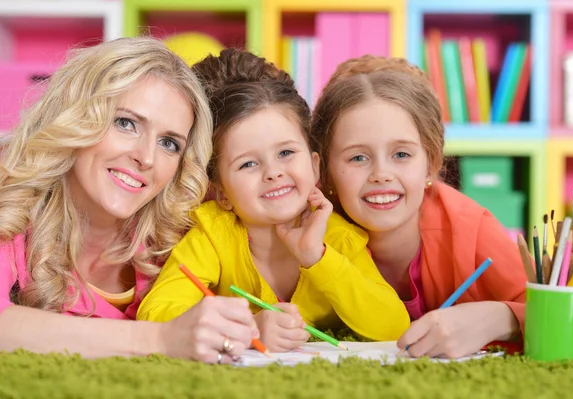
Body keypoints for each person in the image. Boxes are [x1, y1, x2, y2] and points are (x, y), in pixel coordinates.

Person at [0, 37, 258, 364]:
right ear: (75, 116)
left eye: (169, 143)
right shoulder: (10, 204)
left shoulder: (180, 234)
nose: (146, 157)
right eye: (126, 123)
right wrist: (162, 338)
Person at [137, 49, 409, 352]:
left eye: (286, 153)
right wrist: (250, 330)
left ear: (315, 165)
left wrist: (316, 257)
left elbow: (393, 326)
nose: (273, 173)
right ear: (223, 193)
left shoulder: (338, 238)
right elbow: (155, 316)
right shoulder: (214, 233)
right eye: (248, 164)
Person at [310, 55, 527, 358]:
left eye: (401, 154)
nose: (381, 174)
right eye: (358, 157)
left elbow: (564, 313)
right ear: (325, 172)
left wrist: (499, 318)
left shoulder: (469, 227)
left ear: (431, 164)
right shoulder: (309, 228)